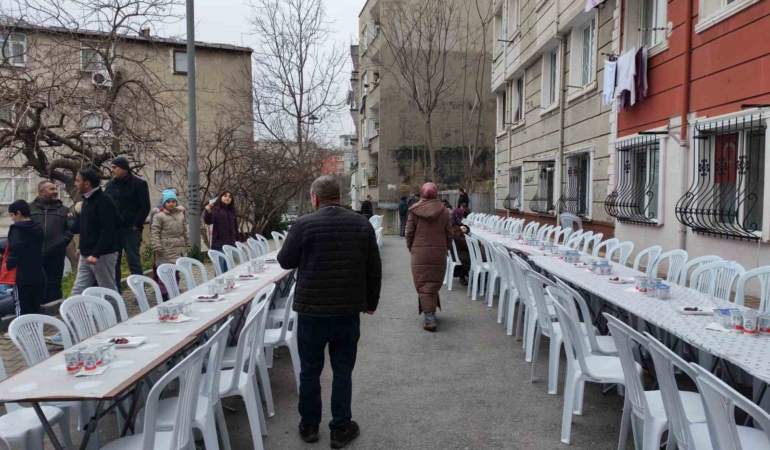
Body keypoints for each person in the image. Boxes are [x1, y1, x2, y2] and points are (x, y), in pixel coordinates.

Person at [277, 175, 381, 449]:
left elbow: (285, 260)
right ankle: (341, 428)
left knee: (310, 371)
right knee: (342, 371)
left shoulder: (303, 225)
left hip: (311, 313)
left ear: (315, 198)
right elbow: (374, 268)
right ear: (340, 197)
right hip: (347, 311)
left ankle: (309, 426)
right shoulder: (361, 224)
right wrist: (371, 302)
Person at [405, 182, 452, 332]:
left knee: (424, 283)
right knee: (433, 281)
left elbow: (409, 233)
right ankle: (431, 311)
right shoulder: (444, 211)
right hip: (439, 252)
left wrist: (412, 248)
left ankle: (429, 318)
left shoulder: (414, 211)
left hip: (420, 253)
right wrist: (445, 248)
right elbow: (449, 234)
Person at [71, 169, 120, 295]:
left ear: (86, 184)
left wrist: (96, 254)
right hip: (85, 254)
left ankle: (117, 315)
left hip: (103, 255)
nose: (75, 184)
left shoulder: (105, 201)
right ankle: (80, 315)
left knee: (107, 291)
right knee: (77, 292)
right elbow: (85, 228)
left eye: (77, 180)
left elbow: (108, 230)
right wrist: (82, 247)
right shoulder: (85, 201)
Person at [104, 157, 151, 288]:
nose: (111, 170)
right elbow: (105, 205)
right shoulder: (109, 185)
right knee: (114, 263)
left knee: (133, 261)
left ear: (124, 168)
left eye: (114, 167)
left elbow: (145, 207)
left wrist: (136, 225)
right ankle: (116, 292)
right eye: (111, 167)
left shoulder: (139, 184)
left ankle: (139, 292)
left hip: (131, 229)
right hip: (114, 230)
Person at [30, 181, 73, 303]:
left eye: (56, 189)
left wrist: (63, 241)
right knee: (36, 283)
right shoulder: (29, 208)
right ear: (42, 192)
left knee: (54, 283)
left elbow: (70, 229)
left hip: (56, 253)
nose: (55, 191)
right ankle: (38, 310)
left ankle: (56, 311)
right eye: (52, 189)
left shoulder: (64, 209)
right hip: (35, 253)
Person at [0, 201, 46, 316]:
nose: (12, 219)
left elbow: (15, 248)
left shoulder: (17, 229)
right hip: (37, 272)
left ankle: (21, 331)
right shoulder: (38, 227)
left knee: (20, 305)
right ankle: (34, 330)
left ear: (18, 213)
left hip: (20, 274)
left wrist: (8, 264)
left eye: (12, 215)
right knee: (34, 305)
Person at [151, 190, 190, 300]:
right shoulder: (159, 216)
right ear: (164, 203)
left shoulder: (181, 215)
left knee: (176, 272)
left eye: (173, 201)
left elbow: (185, 232)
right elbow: (155, 231)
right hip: (165, 249)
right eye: (168, 201)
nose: (171, 203)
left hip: (179, 248)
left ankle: (174, 289)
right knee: (165, 272)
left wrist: (188, 244)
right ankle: (164, 294)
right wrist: (156, 245)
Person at [204, 191, 238, 273]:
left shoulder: (232, 211)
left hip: (230, 244)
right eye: (225, 196)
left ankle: (229, 285)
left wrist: (237, 240)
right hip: (219, 245)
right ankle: (219, 285)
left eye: (230, 197)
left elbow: (235, 227)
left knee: (229, 270)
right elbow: (208, 221)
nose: (227, 198)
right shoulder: (216, 209)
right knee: (220, 270)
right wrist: (208, 212)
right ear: (220, 197)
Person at [450, 208, 471, 286]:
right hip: (456, 253)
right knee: (477, 256)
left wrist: (465, 228)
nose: (462, 217)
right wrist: (477, 245)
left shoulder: (452, 225)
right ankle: (478, 278)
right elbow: (463, 243)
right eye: (460, 215)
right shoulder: (456, 229)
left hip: (453, 251)